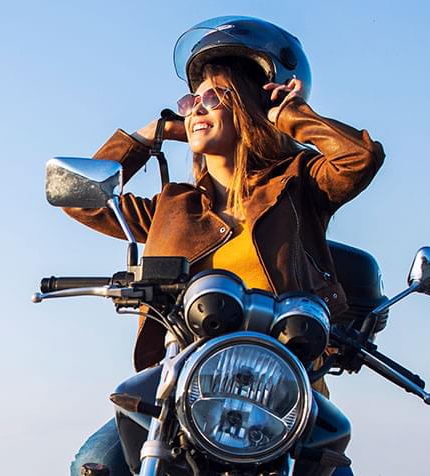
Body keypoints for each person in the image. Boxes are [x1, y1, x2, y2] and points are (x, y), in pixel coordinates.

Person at [66, 16, 385, 476]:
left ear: (252, 105)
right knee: (94, 463)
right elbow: (83, 201)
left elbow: (360, 159)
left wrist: (291, 117)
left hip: (283, 393)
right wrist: (143, 136)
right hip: (182, 388)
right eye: (191, 100)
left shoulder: (299, 186)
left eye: (215, 96)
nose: (196, 109)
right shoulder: (171, 207)